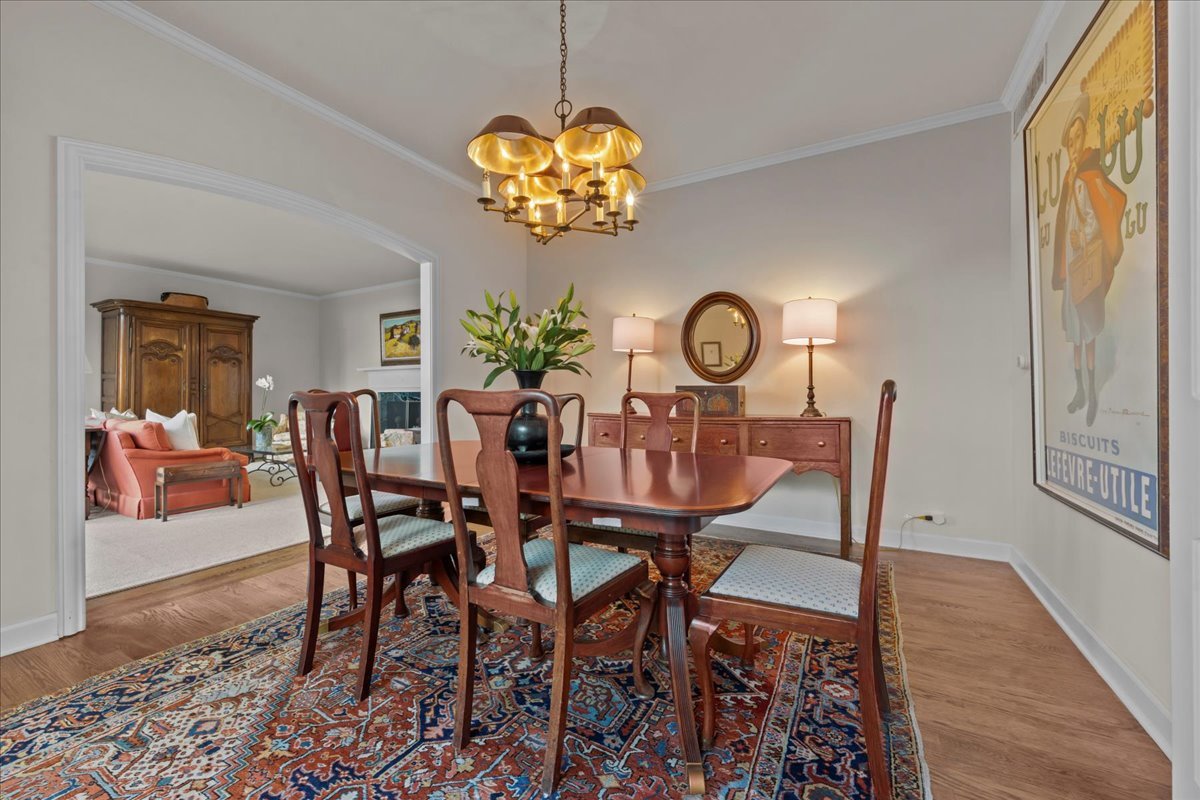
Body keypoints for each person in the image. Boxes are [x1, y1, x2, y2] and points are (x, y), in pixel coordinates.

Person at [1051, 83, 1127, 426]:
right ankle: (1081, 390)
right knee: (1076, 333)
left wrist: (1085, 233)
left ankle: (1092, 392)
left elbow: (1099, 214)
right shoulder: (1069, 178)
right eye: (1070, 140)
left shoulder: (1088, 175)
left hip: (1085, 264)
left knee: (1090, 328)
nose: (1073, 144)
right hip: (1071, 265)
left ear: (1084, 138)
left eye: (1077, 137)